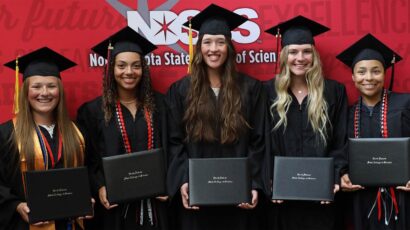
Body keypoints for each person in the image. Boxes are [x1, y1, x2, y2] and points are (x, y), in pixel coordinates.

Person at [165, 4, 268, 230]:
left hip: (238, 197)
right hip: (198, 197)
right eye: (207, 42)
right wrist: (183, 180)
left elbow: (258, 141)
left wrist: (253, 182)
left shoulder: (250, 89)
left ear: (229, 47)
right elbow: (174, 141)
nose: (214, 49)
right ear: (199, 47)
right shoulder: (181, 91)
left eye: (221, 42)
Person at [76, 26, 169, 230]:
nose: (129, 72)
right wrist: (99, 185)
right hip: (114, 210)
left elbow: (174, 148)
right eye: (121, 65)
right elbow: (88, 158)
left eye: (136, 66)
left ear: (143, 69)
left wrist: (169, 182)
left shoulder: (162, 106)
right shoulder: (93, 112)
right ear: (111, 69)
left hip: (157, 208)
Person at [264, 15, 348, 230]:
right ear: (284, 55)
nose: (300, 58)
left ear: (314, 55)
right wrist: (269, 178)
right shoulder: (266, 92)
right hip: (281, 197)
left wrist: (334, 176)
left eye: (306, 51)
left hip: (322, 196)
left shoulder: (334, 92)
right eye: (293, 51)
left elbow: (340, 141)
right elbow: (261, 141)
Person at [0, 47, 89, 229]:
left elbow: (90, 174)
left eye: (51, 86)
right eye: (36, 86)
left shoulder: (77, 132)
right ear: (25, 91)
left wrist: (88, 198)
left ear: (60, 90)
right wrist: (16, 206)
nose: (45, 93)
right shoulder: (6, 134)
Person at [337, 33, 410, 230]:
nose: (368, 78)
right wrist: (342, 175)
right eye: (361, 72)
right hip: (362, 198)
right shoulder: (348, 113)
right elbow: (340, 151)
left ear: (385, 74)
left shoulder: (405, 104)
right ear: (353, 76)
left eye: (376, 71)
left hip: (403, 197)